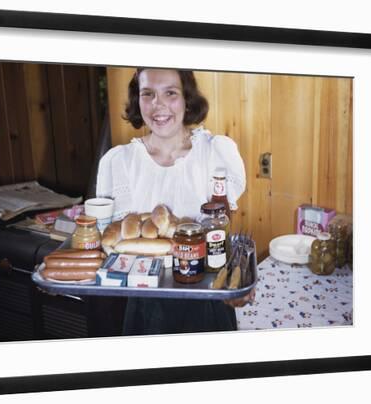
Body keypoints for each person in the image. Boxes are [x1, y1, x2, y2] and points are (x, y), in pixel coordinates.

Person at [96, 68, 254, 336]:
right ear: (138, 100)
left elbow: (222, 233)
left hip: (205, 301)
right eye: (148, 94)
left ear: (187, 99)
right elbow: (112, 245)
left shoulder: (214, 152)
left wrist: (233, 281)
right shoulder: (119, 161)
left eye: (170, 93)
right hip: (143, 304)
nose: (158, 105)